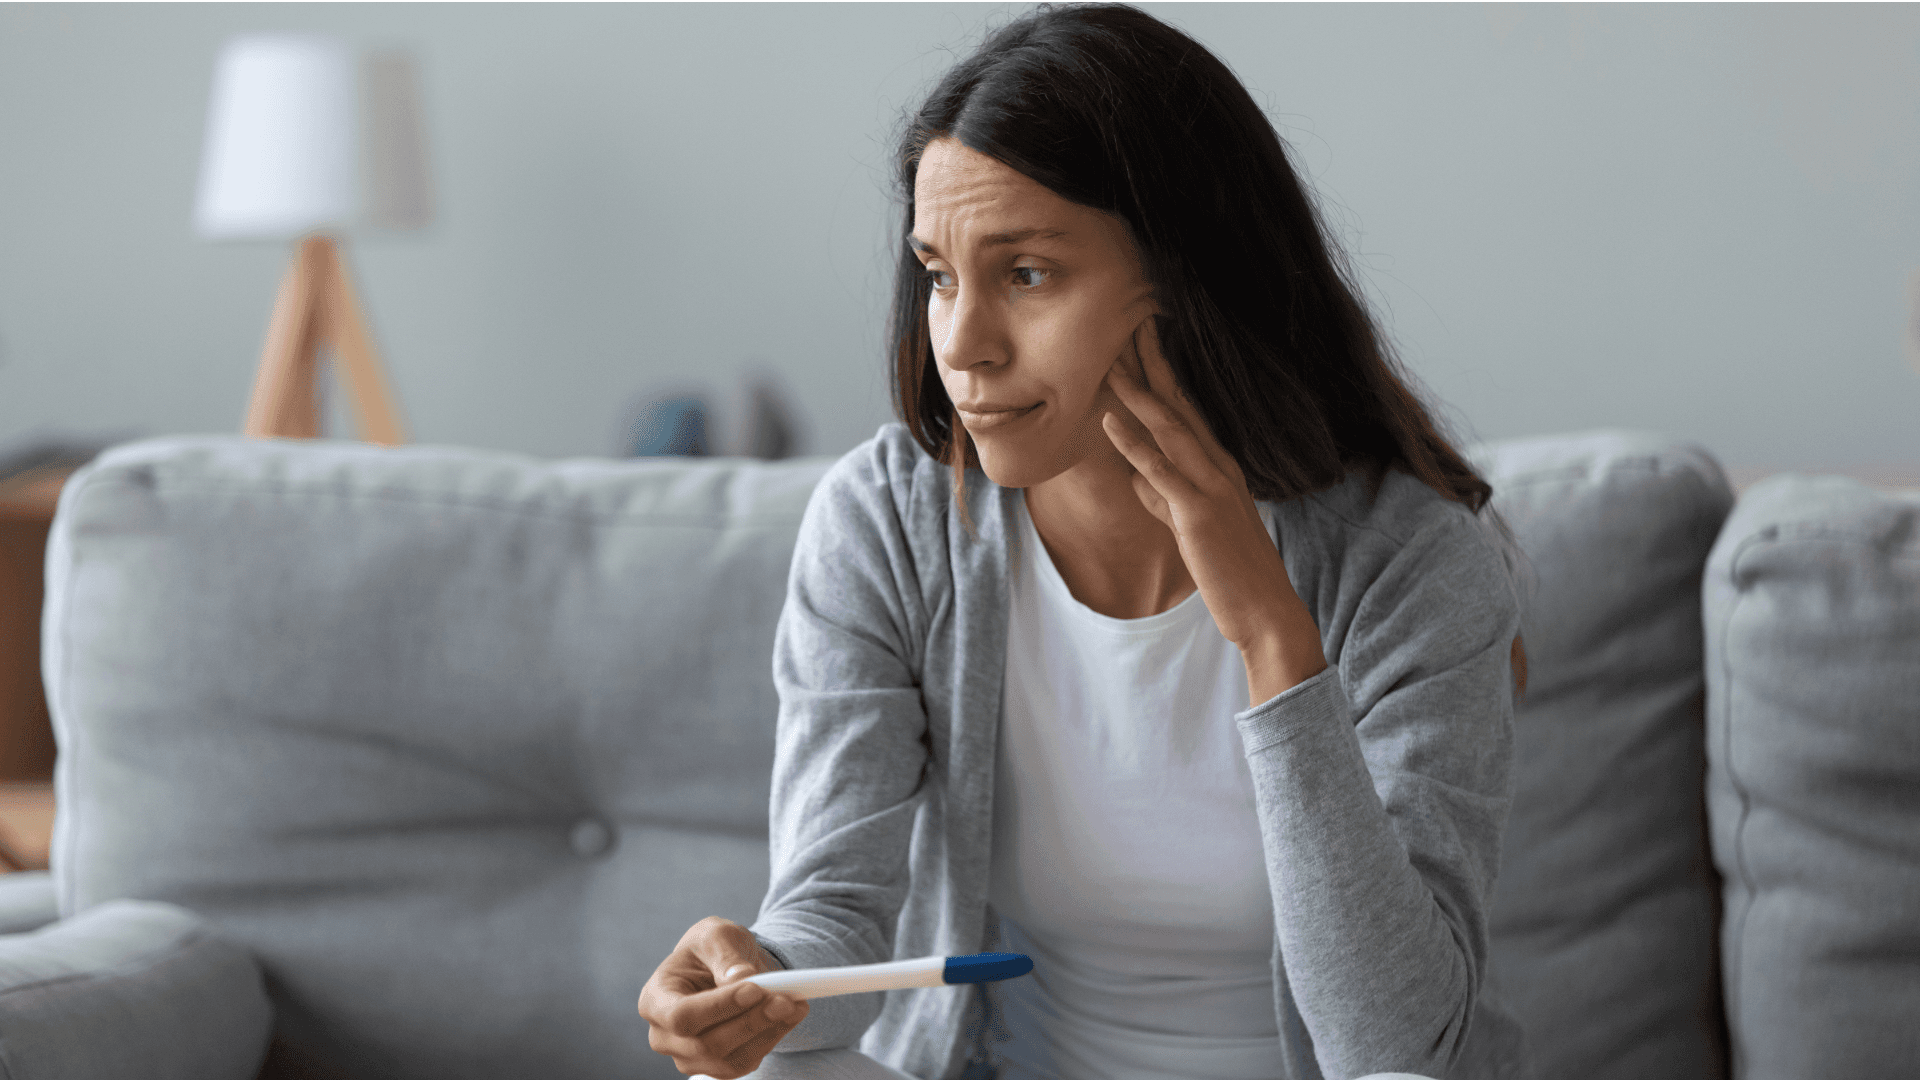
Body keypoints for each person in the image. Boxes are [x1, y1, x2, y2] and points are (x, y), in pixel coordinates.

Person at [638, 4, 1535, 1079]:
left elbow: (1394, 1043)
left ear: (1187, 280)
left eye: (1027, 274)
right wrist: (756, 986)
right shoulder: (889, 523)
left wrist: (1269, 634)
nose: (963, 343)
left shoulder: (1410, 562)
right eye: (938, 275)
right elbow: (833, 910)